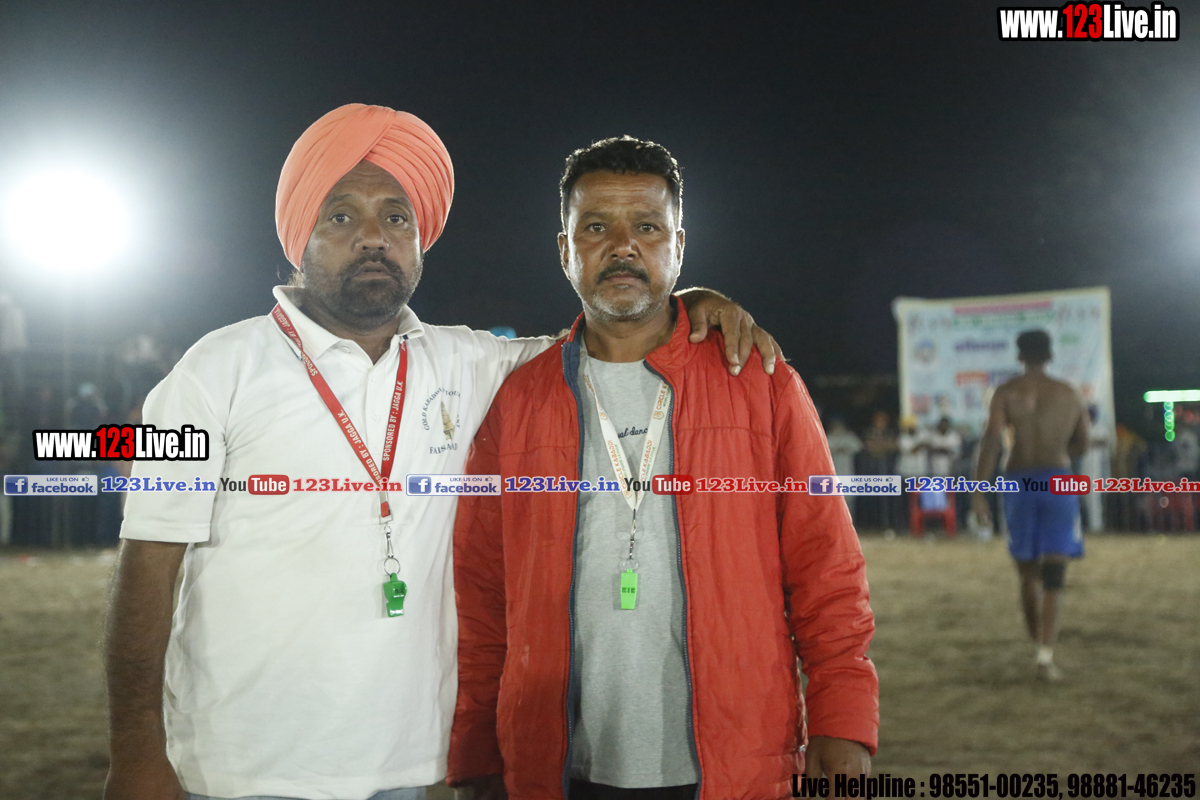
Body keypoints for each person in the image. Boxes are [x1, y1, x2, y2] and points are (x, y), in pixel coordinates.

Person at [102, 105, 782, 800]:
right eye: (342, 215)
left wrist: (690, 299)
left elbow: (614, 336)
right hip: (239, 766)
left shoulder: (467, 362)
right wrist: (136, 755)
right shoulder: (214, 370)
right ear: (299, 233)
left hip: (407, 767)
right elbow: (147, 567)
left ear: (421, 240)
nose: (374, 237)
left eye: (397, 218)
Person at [447, 136, 877, 800]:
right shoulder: (518, 401)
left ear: (678, 244)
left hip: (732, 766)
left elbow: (827, 566)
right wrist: (476, 750)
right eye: (596, 228)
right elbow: (481, 596)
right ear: (564, 250)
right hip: (558, 770)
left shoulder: (759, 382)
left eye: (647, 227)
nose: (623, 246)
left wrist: (842, 719)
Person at [973, 329, 1088, 681]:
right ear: (1050, 355)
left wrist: (978, 491)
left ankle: (1038, 646)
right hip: (1056, 480)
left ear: (1020, 355)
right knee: (1055, 572)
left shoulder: (1006, 392)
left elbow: (992, 441)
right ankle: (1044, 655)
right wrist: (1057, 451)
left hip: (1019, 480)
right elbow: (1082, 443)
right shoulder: (1068, 393)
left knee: (1027, 572)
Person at [826, 417, 863, 519]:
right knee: (833, 498)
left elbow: (858, 446)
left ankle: (850, 521)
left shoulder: (849, 436)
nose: (837, 427)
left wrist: (845, 449)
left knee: (848, 499)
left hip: (847, 471)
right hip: (833, 472)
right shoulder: (829, 437)